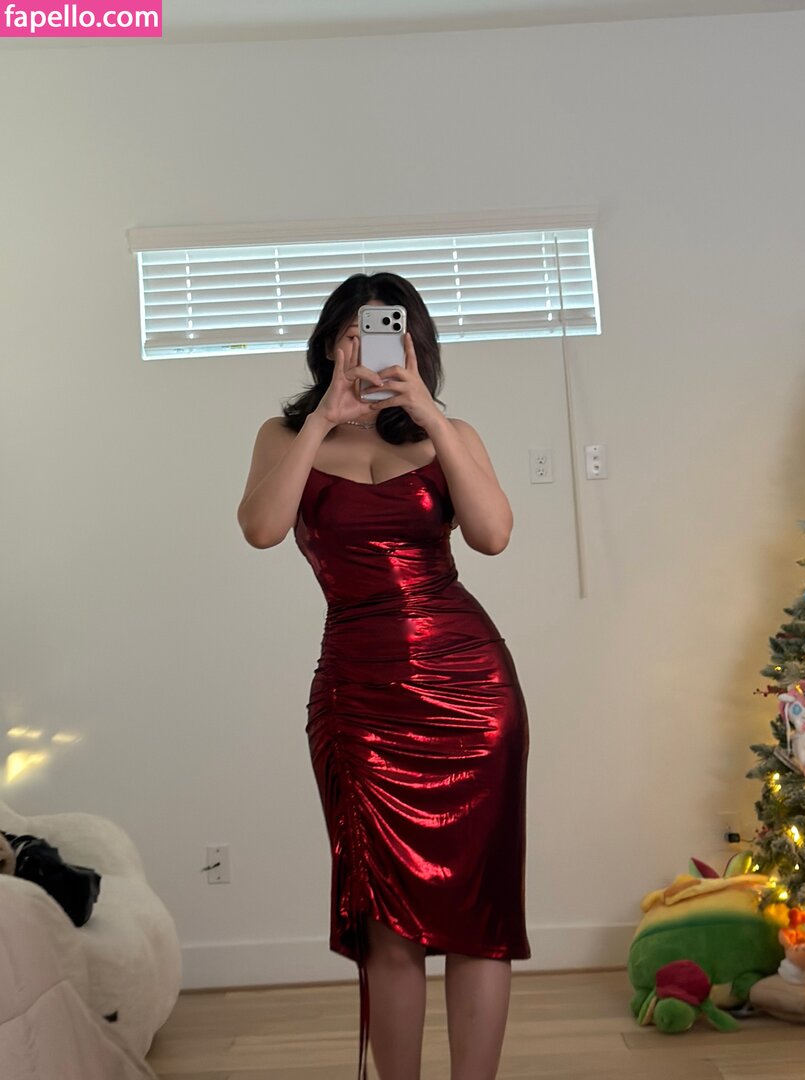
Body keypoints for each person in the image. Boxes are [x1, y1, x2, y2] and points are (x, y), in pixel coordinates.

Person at [237, 273, 530, 1080]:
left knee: (481, 914)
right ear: (330, 342)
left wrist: (429, 414)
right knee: (385, 917)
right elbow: (261, 528)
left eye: (385, 334)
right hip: (358, 697)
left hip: (470, 693)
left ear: (414, 344)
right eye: (353, 333)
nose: (366, 349)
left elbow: (493, 535)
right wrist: (323, 418)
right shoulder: (284, 434)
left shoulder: (447, 432)